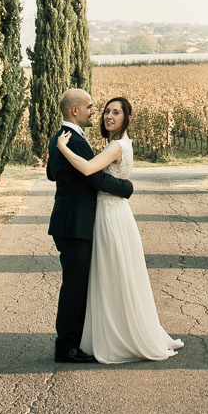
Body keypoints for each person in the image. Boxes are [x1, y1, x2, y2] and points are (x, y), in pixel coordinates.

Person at [58, 94, 183, 363]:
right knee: (114, 276)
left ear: (126, 118)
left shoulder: (116, 147)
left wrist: (63, 148)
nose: (108, 116)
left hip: (110, 216)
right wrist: (126, 188)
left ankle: (117, 337)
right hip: (113, 213)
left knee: (113, 276)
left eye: (116, 112)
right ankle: (112, 333)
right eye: (106, 111)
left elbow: (88, 170)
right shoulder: (118, 144)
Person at [46, 87, 134, 363]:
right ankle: (66, 348)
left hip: (71, 221)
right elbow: (94, 178)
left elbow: (51, 173)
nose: (95, 112)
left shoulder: (61, 137)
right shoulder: (71, 140)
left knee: (77, 284)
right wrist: (127, 187)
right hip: (75, 224)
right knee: (75, 287)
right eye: (91, 107)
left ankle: (75, 341)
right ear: (75, 110)